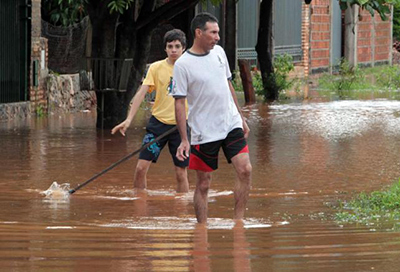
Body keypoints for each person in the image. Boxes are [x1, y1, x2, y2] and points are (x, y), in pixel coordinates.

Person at [172, 13, 252, 223]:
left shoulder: (219, 53)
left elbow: (228, 85)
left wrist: (241, 117)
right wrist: (184, 139)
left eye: (218, 32)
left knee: (245, 169)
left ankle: (238, 223)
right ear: (199, 33)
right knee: (204, 183)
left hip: (230, 123)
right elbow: (179, 102)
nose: (217, 37)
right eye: (213, 32)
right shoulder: (182, 65)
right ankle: (202, 229)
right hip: (203, 130)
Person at [112, 29, 189, 193]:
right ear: (165, 49)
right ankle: (139, 207)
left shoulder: (191, 68)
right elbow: (141, 93)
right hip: (158, 125)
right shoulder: (156, 68)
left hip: (181, 128)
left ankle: (182, 213)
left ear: (183, 48)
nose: (173, 50)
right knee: (140, 168)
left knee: (181, 173)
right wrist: (129, 119)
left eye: (177, 46)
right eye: (170, 46)